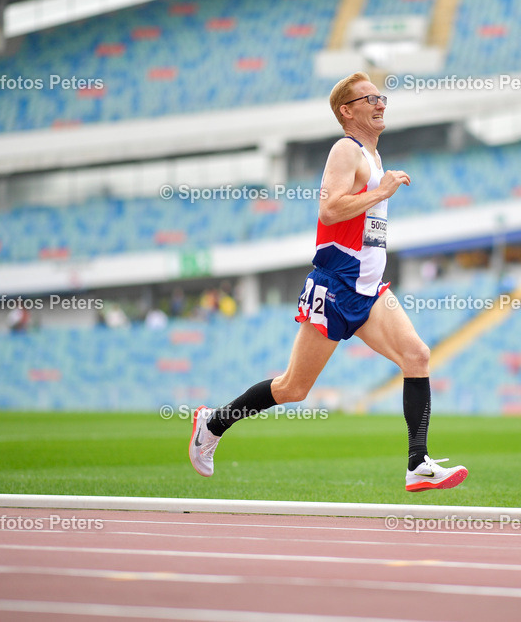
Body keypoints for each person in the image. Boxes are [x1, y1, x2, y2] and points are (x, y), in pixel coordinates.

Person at [188, 72, 467, 492]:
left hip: (369, 289)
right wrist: (381, 192)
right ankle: (213, 423)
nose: (380, 103)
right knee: (293, 388)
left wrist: (378, 191)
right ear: (347, 111)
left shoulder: (374, 158)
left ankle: (418, 464)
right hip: (336, 284)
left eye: (382, 97)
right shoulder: (345, 150)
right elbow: (330, 212)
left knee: (417, 354)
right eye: (369, 98)